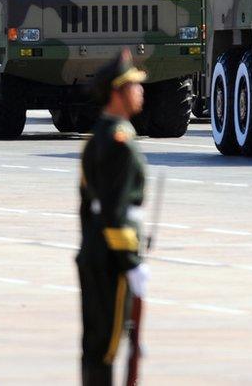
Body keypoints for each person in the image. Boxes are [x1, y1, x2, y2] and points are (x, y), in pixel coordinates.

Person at [77, 49, 150, 386]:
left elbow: (88, 207)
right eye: (134, 86)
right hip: (112, 256)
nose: (141, 91)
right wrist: (131, 261)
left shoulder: (99, 136)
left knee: (95, 344)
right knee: (106, 345)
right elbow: (114, 211)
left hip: (94, 249)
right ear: (118, 92)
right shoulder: (119, 141)